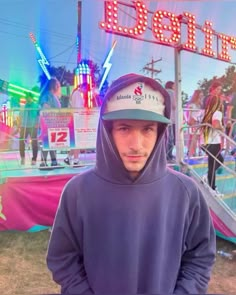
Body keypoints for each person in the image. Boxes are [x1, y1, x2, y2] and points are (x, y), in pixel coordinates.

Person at [47, 73, 216, 294]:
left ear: (160, 132)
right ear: (108, 131)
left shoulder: (186, 192)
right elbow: (63, 258)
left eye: (147, 129)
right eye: (124, 128)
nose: (136, 145)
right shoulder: (77, 192)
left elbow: (201, 255)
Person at [201, 95, 224, 195]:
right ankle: (212, 188)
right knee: (217, 163)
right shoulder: (217, 113)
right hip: (214, 143)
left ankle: (210, 182)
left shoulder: (206, 113)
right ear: (218, 104)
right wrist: (222, 128)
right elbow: (216, 124)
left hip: (206, 143)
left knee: (214, 163)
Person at [39, 77, 61, 167]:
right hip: (48, 122)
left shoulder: (53, 96)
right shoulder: (47, 95)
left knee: (52, 142)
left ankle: (54, 161)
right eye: (57, 85)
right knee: (47, 142)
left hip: (53, 122)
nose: (58, 86)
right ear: (54, 85)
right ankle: (43, 162)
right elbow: (45, 107)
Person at [64, 85, 84, 166]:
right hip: (77, 119)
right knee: (78, 141)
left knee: (75, 141)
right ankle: (76, 160)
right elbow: (78, 108)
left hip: (73, 119)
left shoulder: (74, 93)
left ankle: (68, 157)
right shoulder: (78, 94)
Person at [19, 92, 39, 165]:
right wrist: (19, 124)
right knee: (21, 141)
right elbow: (20, 115)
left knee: (34, 142)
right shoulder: (23, 105)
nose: (27, 98)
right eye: (26, 97)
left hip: (33, 126)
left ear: (31, 97)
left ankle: (34, 159)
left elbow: (39, 115)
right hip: (24, 125)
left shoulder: (36, 105)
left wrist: (38, 123)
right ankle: (22, 157)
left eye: (28, 97)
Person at [187, 89, 204, 156]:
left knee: (198, 138)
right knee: (193, 138)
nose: (201, 96)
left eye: (202, 95)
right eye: (200, 95)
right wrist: (190, 121)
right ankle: (191, 151)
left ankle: (197, 151)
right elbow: (189, 114)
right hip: (193, 122)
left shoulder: (201, 104)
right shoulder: (192, 104)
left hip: (199, 122)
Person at [165, 80, 176, 161]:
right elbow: (174, 106)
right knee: (170, 138)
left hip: (163, 117)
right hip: (170, 118)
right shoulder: (172, 92)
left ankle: (165, 155)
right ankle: (169, 156)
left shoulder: (163, 92)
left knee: (165, 138)